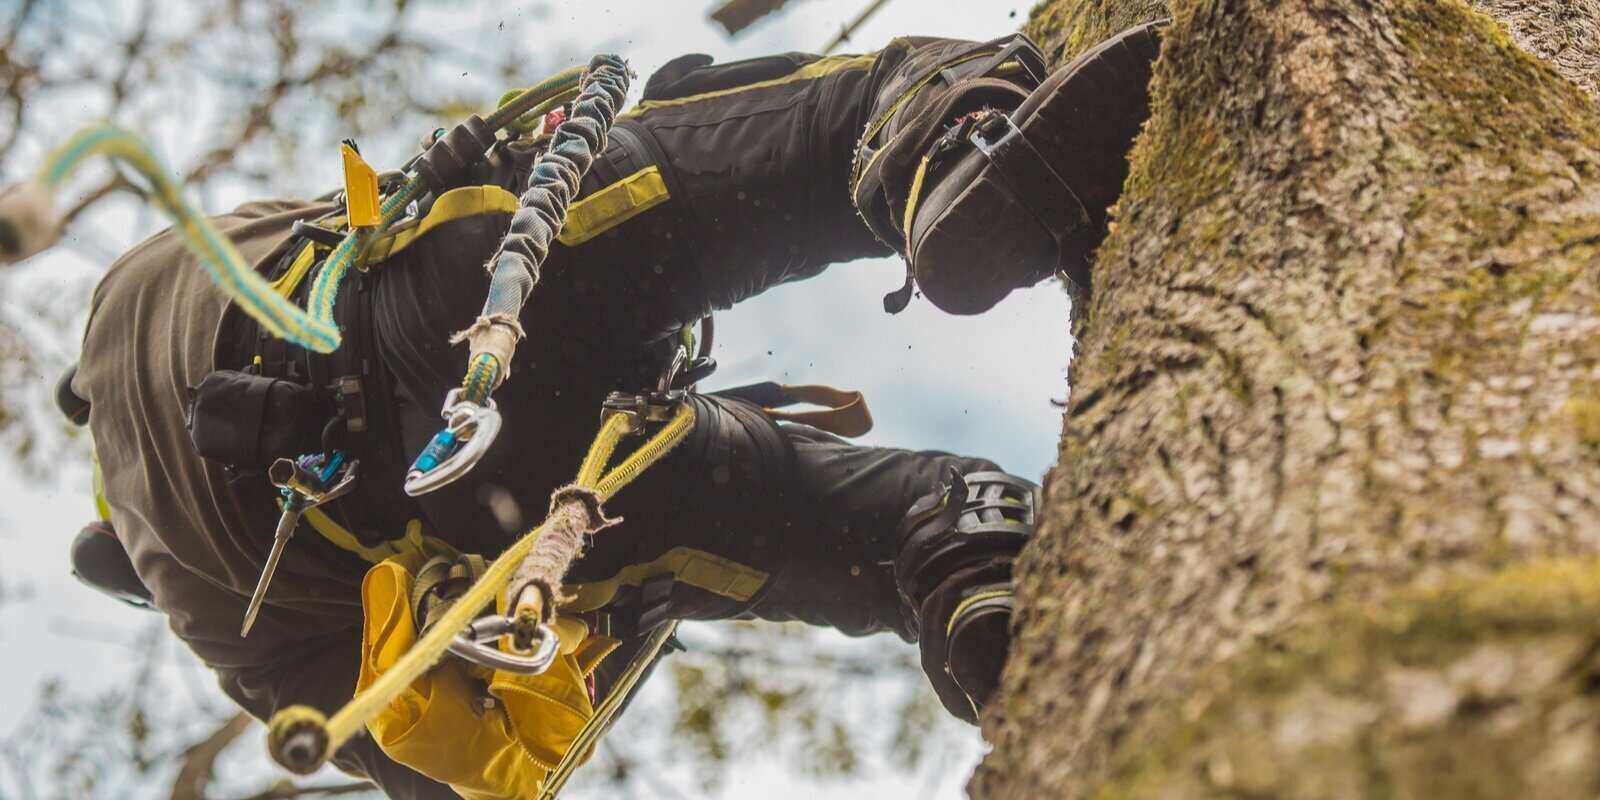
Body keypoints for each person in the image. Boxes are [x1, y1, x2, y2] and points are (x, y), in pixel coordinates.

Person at [65, 21, 1163, 798]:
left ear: (128, 559)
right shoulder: (132, 291)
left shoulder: (224, 625)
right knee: (822, 134)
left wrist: (598, 634)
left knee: (867, 517)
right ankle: (946, 148)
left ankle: (975, 576)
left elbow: (441, 771)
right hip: (463, 297)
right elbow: (375, 209)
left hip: (515, 511)